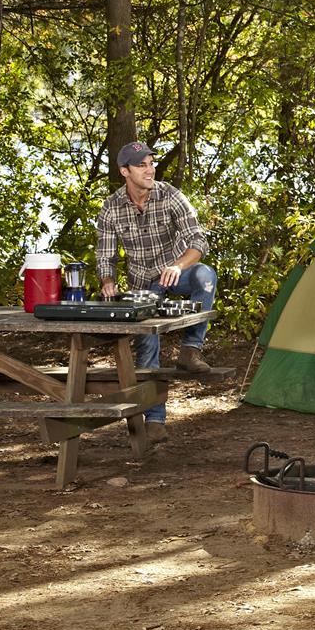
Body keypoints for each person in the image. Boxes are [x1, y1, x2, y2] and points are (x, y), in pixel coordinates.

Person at [96, 140, 217, 445]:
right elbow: (105, 256)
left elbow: (198, 242)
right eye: (142, 165)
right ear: (125, 171)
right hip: (142, 286)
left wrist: (177, 265)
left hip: (175, 273)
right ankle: (155, 421)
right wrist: (107, 280)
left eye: (151, 163)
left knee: (205, 276)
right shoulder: (112, 207)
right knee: (148, 348)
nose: (150, 170)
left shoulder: (170, 195)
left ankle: (191, 350)